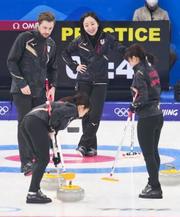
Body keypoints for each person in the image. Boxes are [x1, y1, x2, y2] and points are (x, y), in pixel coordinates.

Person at [62, 12, 125, 157]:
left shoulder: (107, 38)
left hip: (101, 81)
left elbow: (119, 47)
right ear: (83, 27)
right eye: (86, 25)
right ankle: (91, 147)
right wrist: (74, 66)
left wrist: (131, 53)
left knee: (95, 115)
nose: (90, 27)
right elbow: (65, 53)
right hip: (83, 80)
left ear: (97, 23)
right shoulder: (79, 40)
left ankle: (83, 144)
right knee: (85, 113)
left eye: (92, 24)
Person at [7, 12, 57, 176]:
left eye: (50, 28)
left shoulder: (51, 44)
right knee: (24, 124)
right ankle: (26, 162)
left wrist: (53, 86)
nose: (47, 31)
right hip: (21, 90)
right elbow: (11, 61)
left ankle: (38, 158)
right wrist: (21, 83)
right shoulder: (24, 38)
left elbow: (53, 68)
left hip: (39, 92)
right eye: (44, 27)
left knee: (38, 125)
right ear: (38, 24)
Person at [20, 92, 90, 203]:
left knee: (40, 159)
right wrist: (52, 127)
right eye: (86, 111)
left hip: (27, 122)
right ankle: (32, 193)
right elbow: (55, 115)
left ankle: (35, 190)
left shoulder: (65, 106)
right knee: (43, 159)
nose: (85, 114)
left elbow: (53, 133)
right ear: (82, 107)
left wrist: (55, 152)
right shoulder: (72, 109)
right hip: (36, 122)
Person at [124, 44, 164, 199]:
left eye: (129, 61)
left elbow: (143, 96)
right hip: (158, 115)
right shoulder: (150, 67)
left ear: (134, 58)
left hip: (147, 118)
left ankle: (155, 187)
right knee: (153, 152)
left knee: (148, 154)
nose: (129, 64)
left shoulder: (139, 72)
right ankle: (152, 182)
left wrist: (134, 106)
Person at [133, 0, 176, 72]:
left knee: (172, 54)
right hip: (142, 44)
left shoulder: (164, 13)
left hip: (159, 45)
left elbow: (167, 31)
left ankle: (159, 74)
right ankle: (144, 75)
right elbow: (133, 30)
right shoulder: (138, 12)